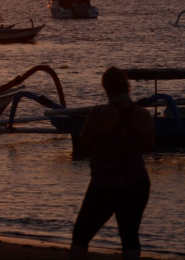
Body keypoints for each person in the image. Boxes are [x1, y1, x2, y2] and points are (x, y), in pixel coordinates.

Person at [70, 67, 156, 260]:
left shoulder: (99, 113)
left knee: (81, 235)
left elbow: (84, 140)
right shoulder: (143, 115)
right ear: (127, 87)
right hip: (137, 183)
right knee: (130, 236)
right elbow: (148, 146)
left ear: (106, 87)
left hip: (105, 183)